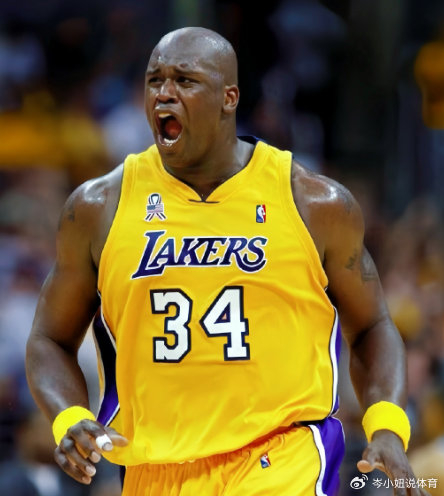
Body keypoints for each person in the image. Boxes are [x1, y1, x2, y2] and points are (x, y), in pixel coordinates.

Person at [26, 27, 426, 496]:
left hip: (280, 460)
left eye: (184, 80)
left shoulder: (314, 203)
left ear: (229, 98)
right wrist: (69, 417)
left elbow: (373, 324)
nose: (164, 94)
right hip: (155, 471)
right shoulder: (98, 207)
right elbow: (49, 338)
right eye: (155, 80)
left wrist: (387, 427)